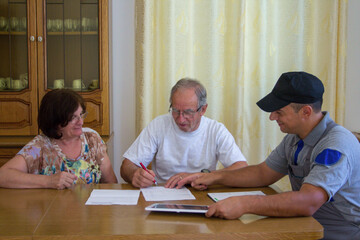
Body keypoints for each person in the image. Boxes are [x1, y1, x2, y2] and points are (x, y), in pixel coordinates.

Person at [178, 72, 360, 239]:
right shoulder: (294, 138)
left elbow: (309, 201)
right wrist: (211, 177)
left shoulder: (336, 145)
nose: (272, 117)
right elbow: (262, 173)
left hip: (339, 233)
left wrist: (244, 204)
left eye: (279, 112)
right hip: (305, 225)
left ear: (306, 111)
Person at [120, 78, 247, 188]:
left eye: (188, 112)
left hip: (202, 195)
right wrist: (134, 175)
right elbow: (127, 166)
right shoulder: (159, 125)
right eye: (175, 110)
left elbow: (242, 168)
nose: (180, 119)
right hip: (164, 193)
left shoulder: (216, 130)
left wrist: (200, 177)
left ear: (203, 109)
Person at [0, 89, 118, 189]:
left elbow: (111, 183)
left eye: (81, 115)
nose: (81, 122)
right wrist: (48, 181)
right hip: (53, 212)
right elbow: (3, 175)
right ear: (55, 121)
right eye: (73, 118)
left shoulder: (92, 139)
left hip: (90, 212)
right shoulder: (40, 146)